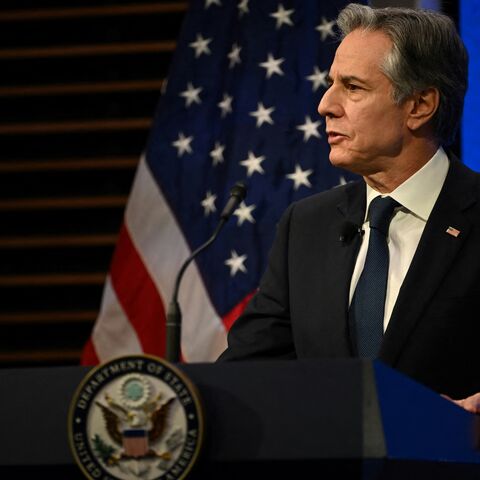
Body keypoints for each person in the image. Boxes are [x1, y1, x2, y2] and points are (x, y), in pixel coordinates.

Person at [218, 3, 480, 413]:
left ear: (420, 106)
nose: (325, 105)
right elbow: (246, 374)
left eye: (353, 87)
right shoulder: (307, 226)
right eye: (331, 84)